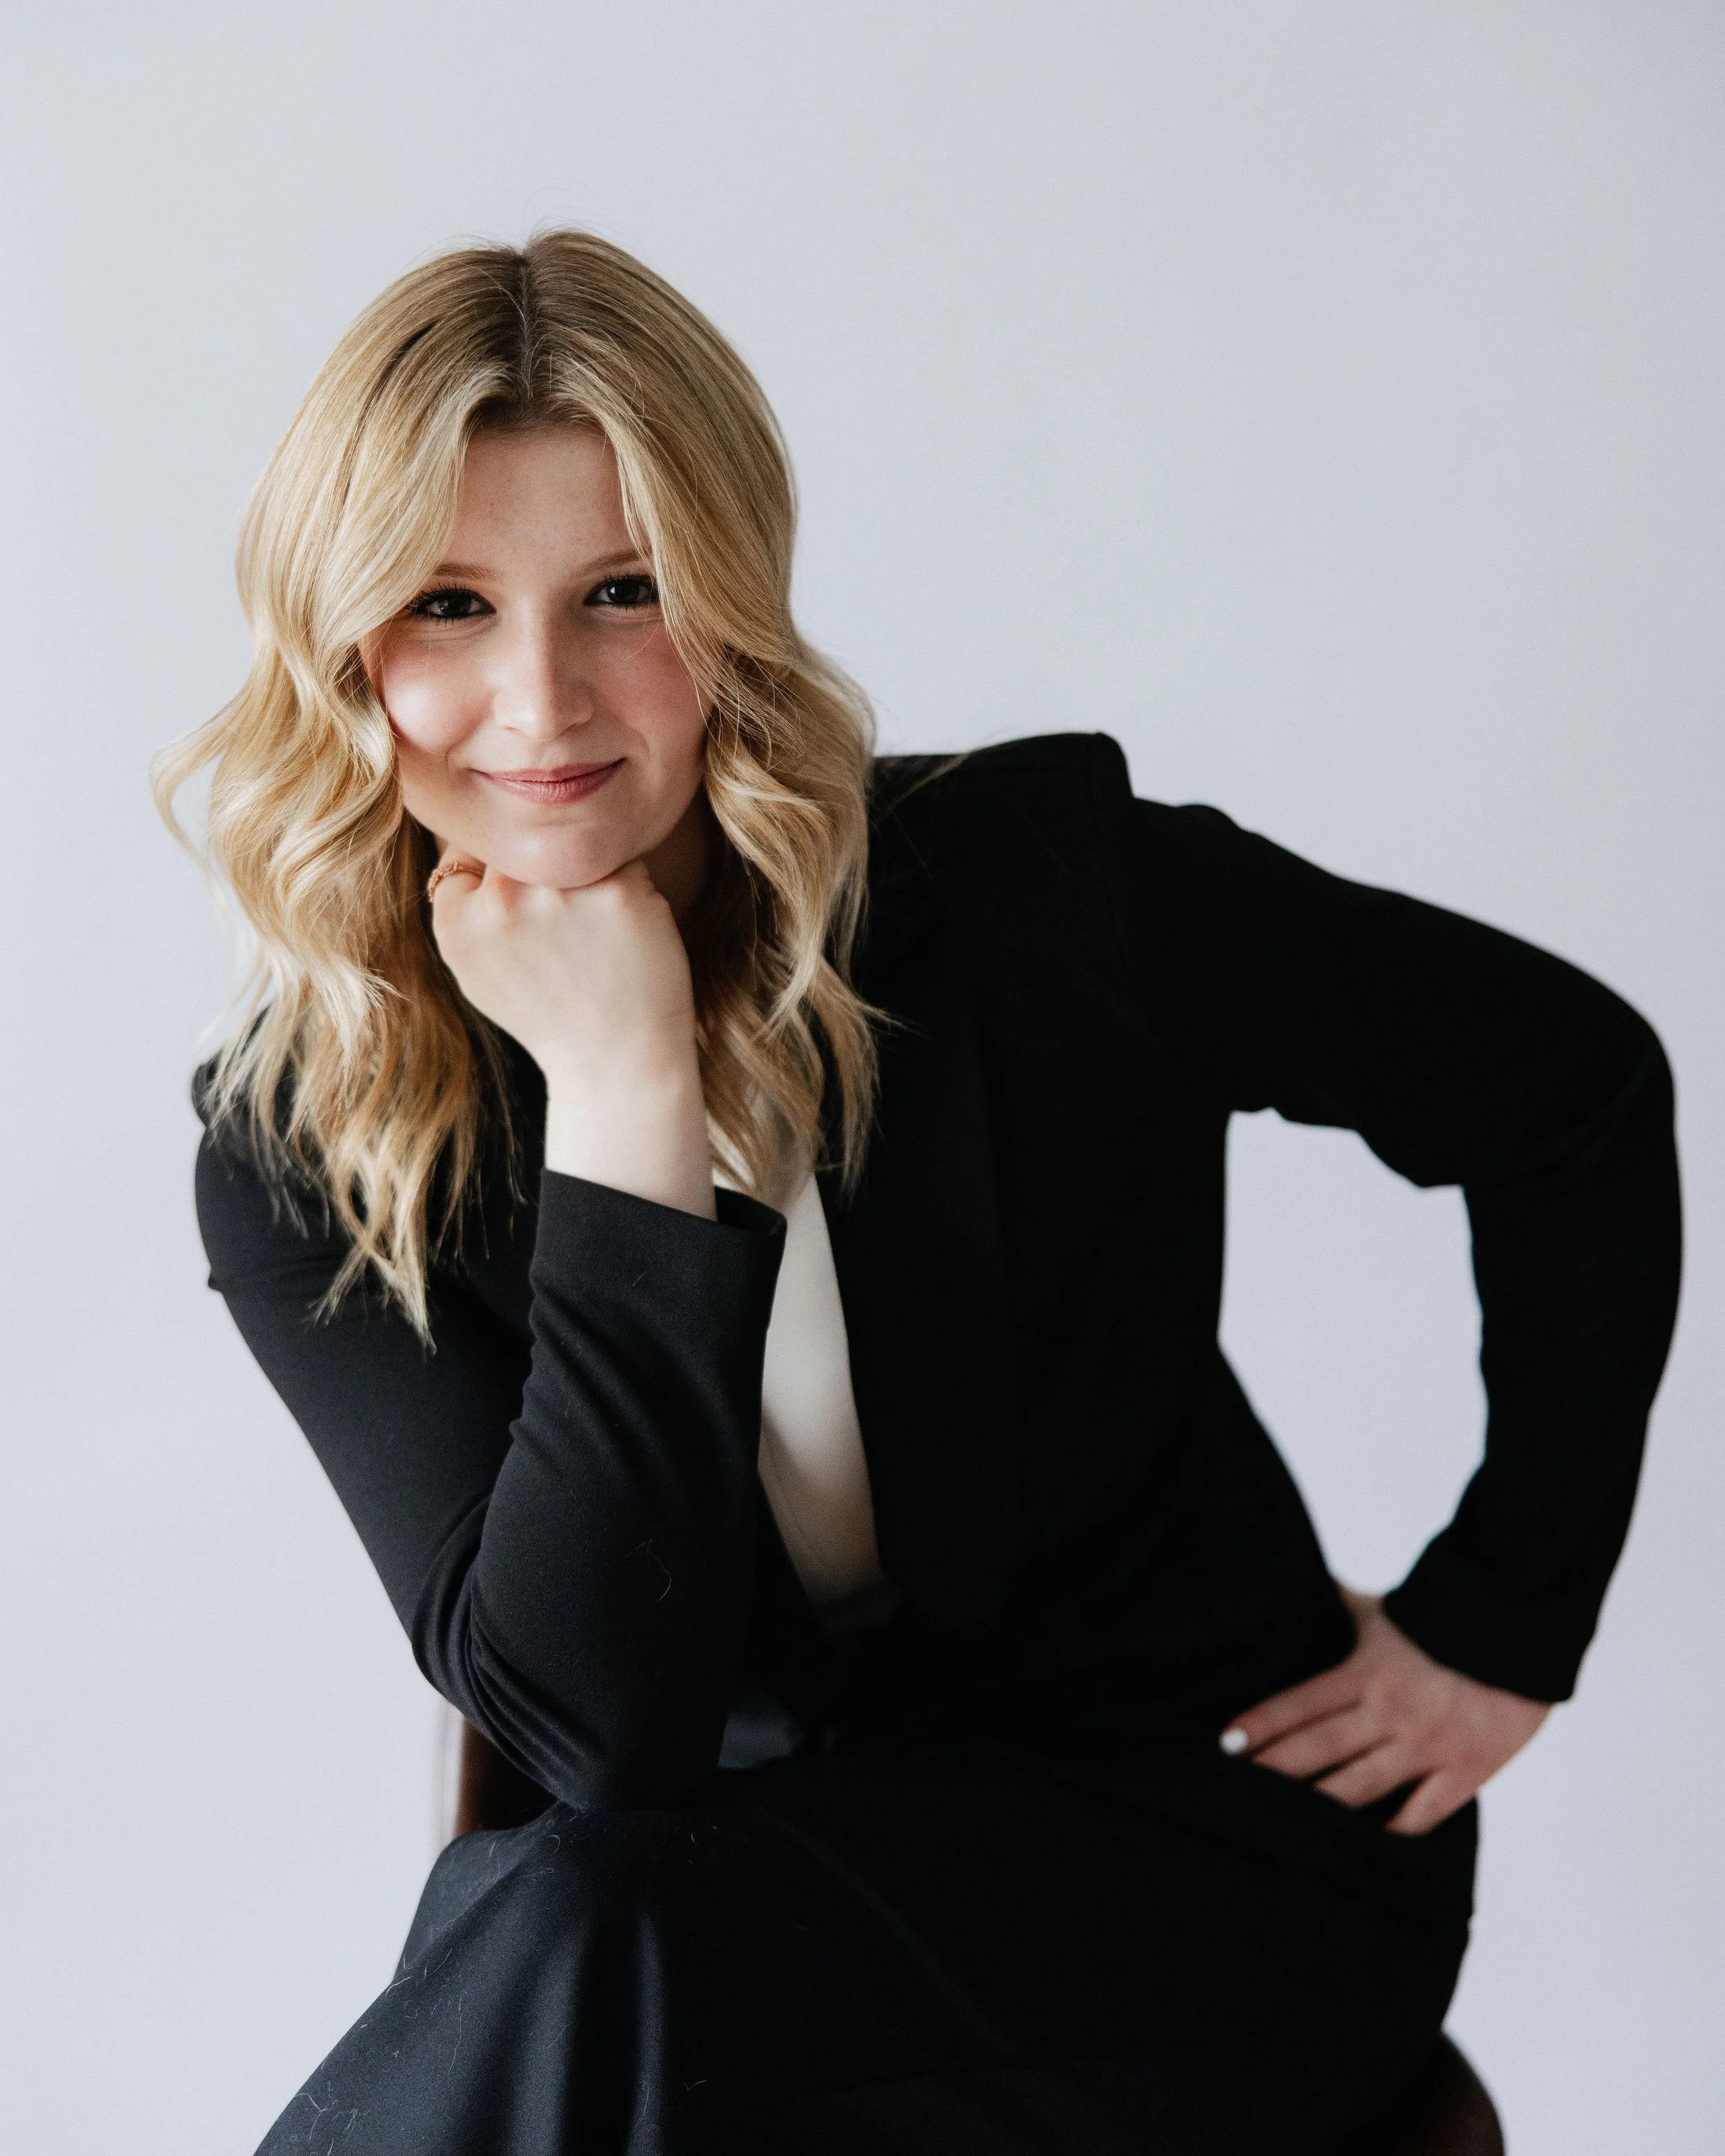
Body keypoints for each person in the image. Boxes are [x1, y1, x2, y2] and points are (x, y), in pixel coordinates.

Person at [159, 232, 1681, 2156]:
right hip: (729, 1920)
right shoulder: (312, 1136)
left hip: (1189, 1853)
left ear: (730, 598)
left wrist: (1502, 1615)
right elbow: (595, 1732)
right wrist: (625, 1106)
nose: (539, 698)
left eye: (622, 590)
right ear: (342, 644)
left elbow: (1566, 1088)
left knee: (582, 1940)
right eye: (448, 602)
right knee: (581, 1918)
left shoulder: (1040, 901)